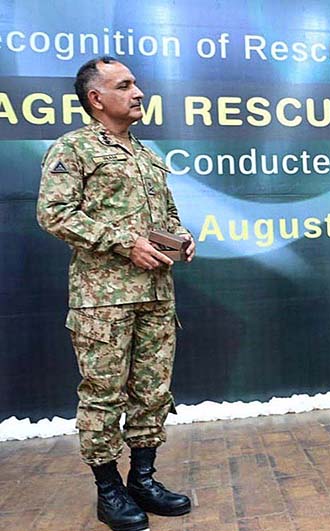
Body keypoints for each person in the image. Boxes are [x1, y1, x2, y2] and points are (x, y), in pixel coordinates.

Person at [37, 56, 195, 531]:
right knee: (103, 396)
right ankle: (109, 490)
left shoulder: (145, 155)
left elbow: (165, 217)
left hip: (155, 295)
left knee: (151, 392)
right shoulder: (75, 149)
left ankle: (142, 479)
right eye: (124, 85)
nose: (138, 92)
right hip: (102, 301)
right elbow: (55, 214)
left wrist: (180, 237)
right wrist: (125, 243)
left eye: (136, 84)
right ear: (96, 98)